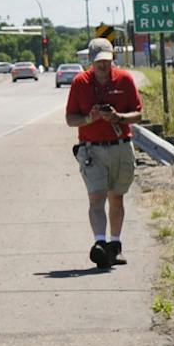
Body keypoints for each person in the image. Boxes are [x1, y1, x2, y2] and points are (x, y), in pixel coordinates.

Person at [64, 38, 143, 267]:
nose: (103, 66)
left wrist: (118, 117)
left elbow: (137, 114)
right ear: (91, 61)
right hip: (92, 150)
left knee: (116, 197)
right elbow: (70, 119)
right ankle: (99, 244)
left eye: (107, 61)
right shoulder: (80, 83)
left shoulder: (125, 79)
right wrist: (91, 117)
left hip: (120, 146)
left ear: (112, 59)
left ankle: (115, 245)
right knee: (96, 197)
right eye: (99, 62)